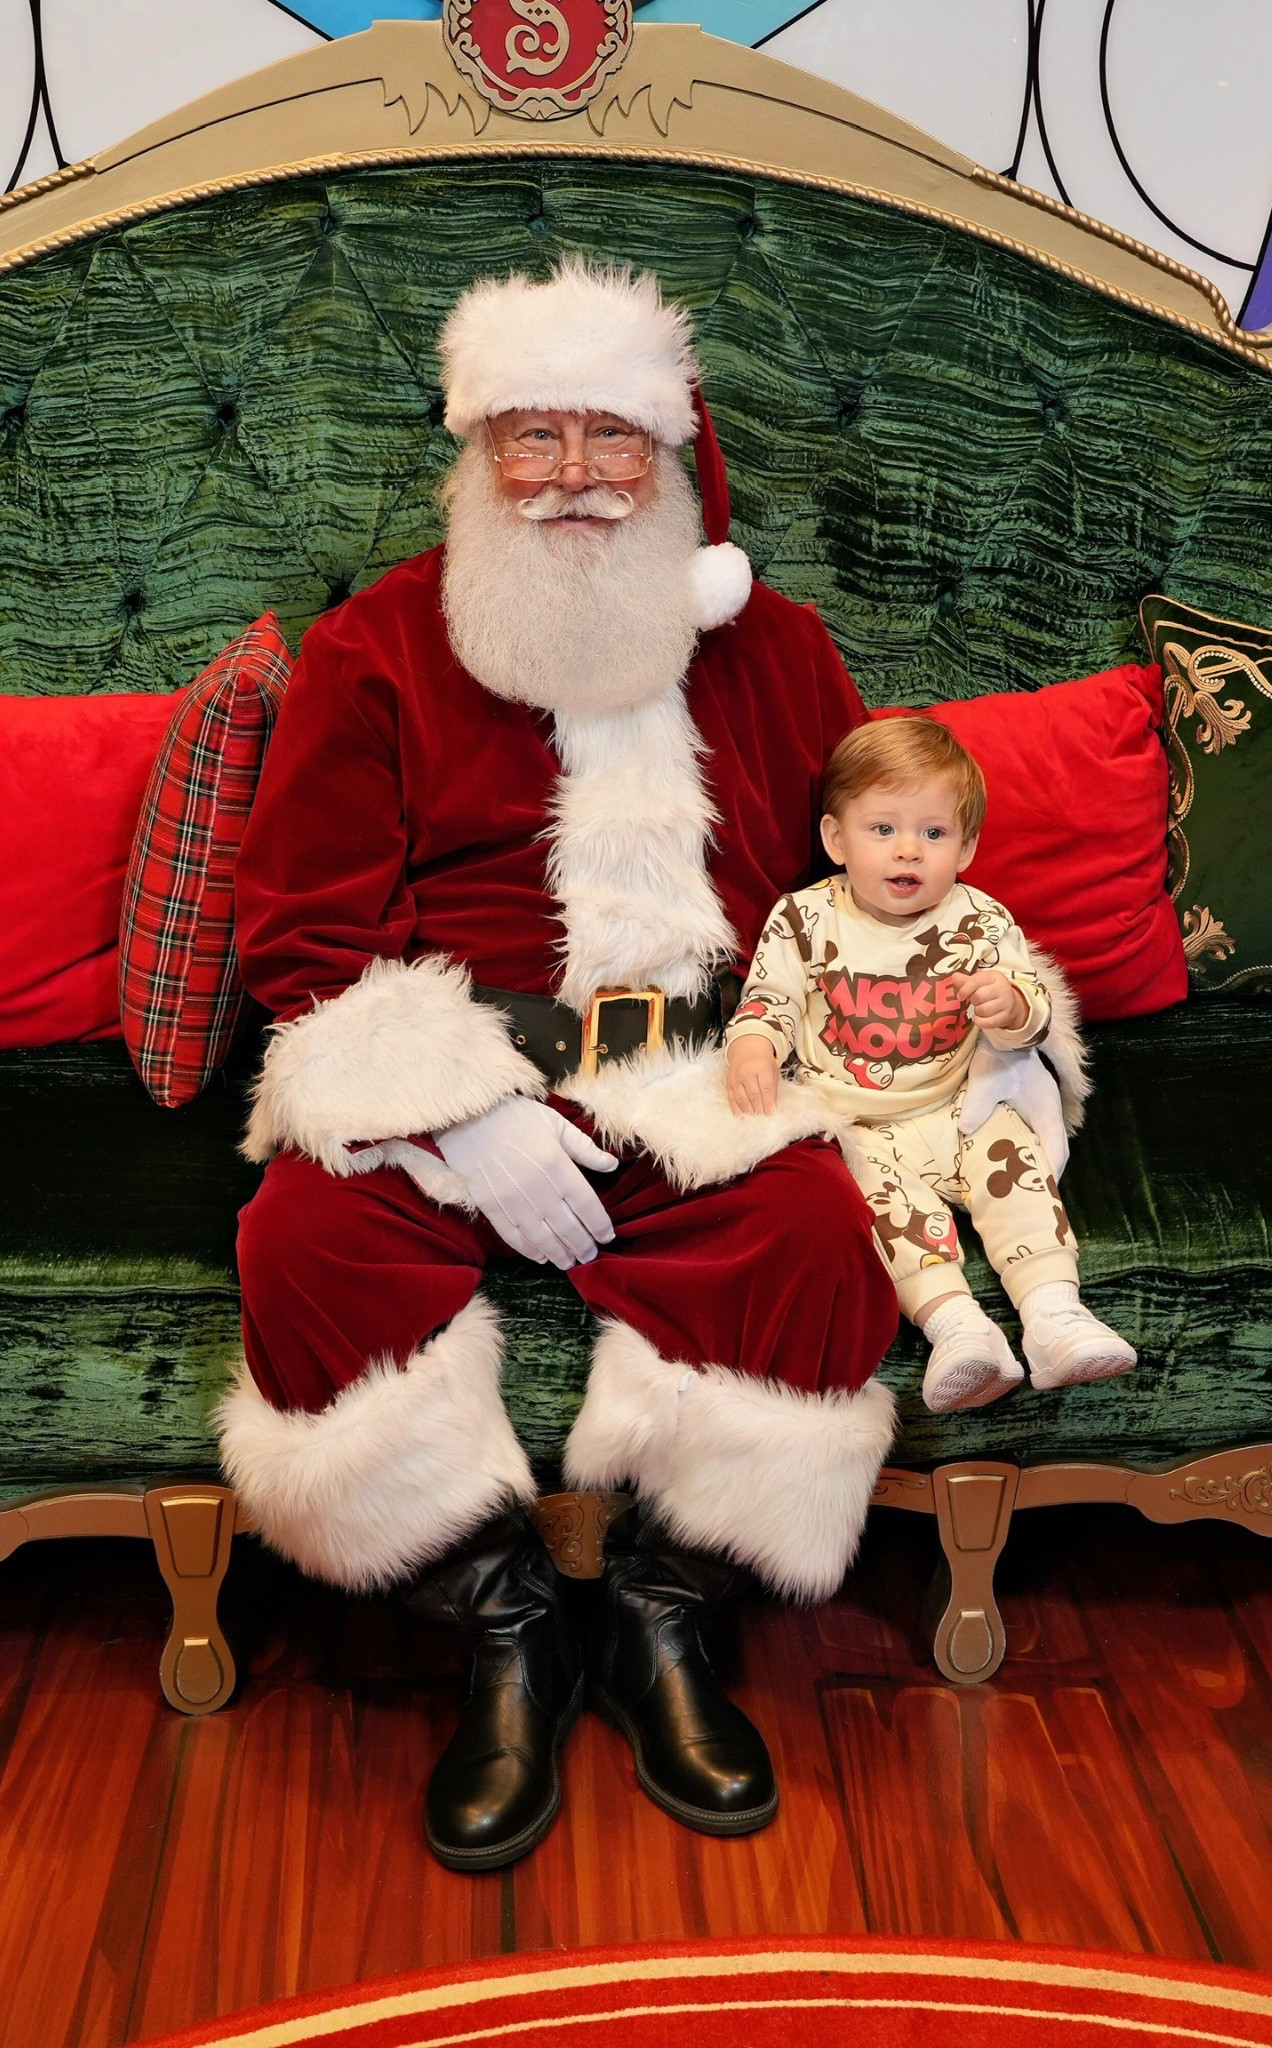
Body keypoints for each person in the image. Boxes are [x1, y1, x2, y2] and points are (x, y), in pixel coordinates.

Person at [218, 258, 902, 1875]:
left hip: (689, 1075)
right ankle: (506, 1619)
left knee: (820, 1235)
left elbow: (852, 897)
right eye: (535, 437)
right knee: (298, 1249)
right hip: (445, 1086)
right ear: (474, 455)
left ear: (676, 460)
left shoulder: (774, 648)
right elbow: (306, 935)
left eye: (614, 440)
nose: (577, 480)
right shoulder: (376, 647)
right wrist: (458, 1121)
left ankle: (664, 1613)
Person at [725, 717, 1137, 1413]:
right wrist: (752, 1045)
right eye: (881, 829)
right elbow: (769, 997)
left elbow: (1035, 1002)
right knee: (881, 1210)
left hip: (958, 1102)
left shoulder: (979, 920)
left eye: (933, 833)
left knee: (1014, 1163)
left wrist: (1010, 1005)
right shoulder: (803, 919)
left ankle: (1053, 1316)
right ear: (835, 840)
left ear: (966, 847)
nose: (907, 850)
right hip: (856, 1120)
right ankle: (957, 1329)